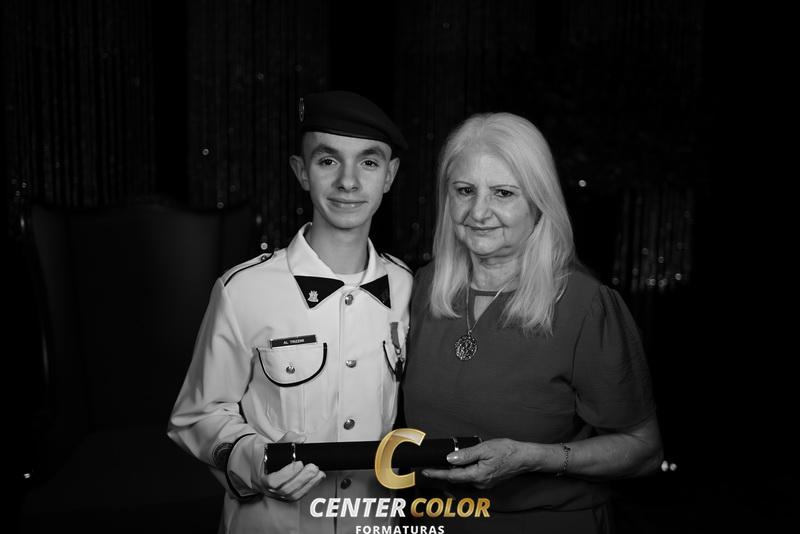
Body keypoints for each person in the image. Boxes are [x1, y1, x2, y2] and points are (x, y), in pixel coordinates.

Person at [402, 112, 663, 533]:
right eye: (464, 191)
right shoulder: (423, 287)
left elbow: (644, 450)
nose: (478, 211)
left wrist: (534, 458)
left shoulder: (585, 305)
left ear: (539, 203)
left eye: (503, 193)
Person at [168, 90, 413, 533]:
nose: (348, 182)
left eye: (368, 162)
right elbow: (196, 416)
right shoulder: (243, 290)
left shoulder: (408, 287)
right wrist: (255, 460)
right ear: (301, 171)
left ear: (390, 175)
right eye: (328, 161)